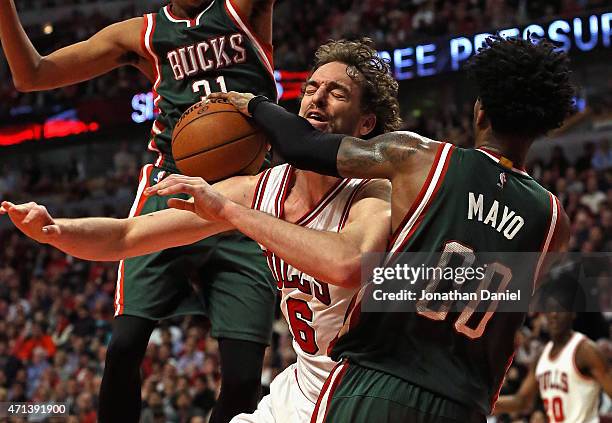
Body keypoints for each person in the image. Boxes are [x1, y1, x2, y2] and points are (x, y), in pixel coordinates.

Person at [1, 39, 401, 422]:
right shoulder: (265, 187)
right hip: (302, 387)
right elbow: (128, 236)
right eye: (312, 87)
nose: (317, 97)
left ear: (367, 123)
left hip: (367, 387)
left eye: (337, 93)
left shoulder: (376, 191)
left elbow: (348, 264)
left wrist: (230, 212)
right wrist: (55, 229)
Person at [214, 35, 575, 422]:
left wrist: (253, 103)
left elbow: (303, 146)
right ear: (541, 129)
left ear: (479, 112)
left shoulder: (421, 158)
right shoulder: (554, 222)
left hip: (377, 381)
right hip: (463, 405)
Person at [0, 1, 278, 422]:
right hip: (170, 190)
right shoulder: (141, 34)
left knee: (243, 381)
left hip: (248, 196)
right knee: (125, 345)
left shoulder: (242, 10)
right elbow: (31, 74)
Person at [494, 281, 612, 422]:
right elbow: (521, 401)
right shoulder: (541, 357)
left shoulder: (585, 351)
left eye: (560, 309)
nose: (554, 314)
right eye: (550, 309)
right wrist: (483, 404)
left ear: (573, 313)